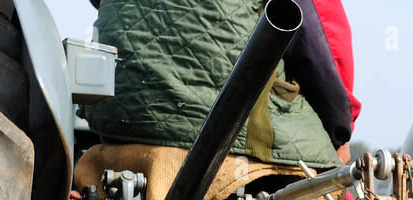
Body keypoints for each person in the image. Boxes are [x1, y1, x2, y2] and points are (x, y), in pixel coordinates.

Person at [84, 0, 358, 171]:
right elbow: (324, 49)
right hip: (232, 139)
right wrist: (339, 131)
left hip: (119, 124)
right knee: (327, 170)